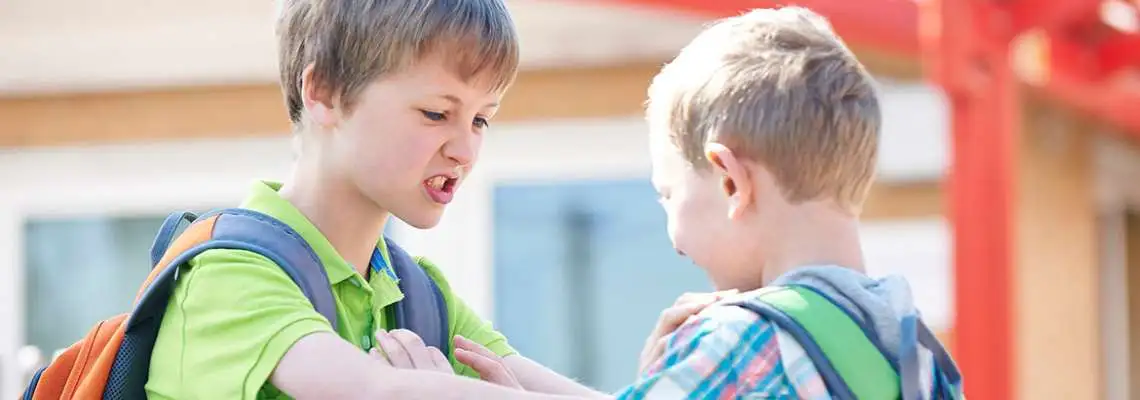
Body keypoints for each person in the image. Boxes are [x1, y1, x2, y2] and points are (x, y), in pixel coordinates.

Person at [143, 0, 614, 398]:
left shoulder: (418, 298)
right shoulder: (227, 274)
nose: (465, 151)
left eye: (480, 120)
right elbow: (377, 389)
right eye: (436, 113)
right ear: (324, 92)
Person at [612, 6, 964, 399]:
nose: (675, 241)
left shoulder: (738, 344)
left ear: (731, 182)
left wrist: (660, 375)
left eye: (669, 194)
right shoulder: (914, 356)